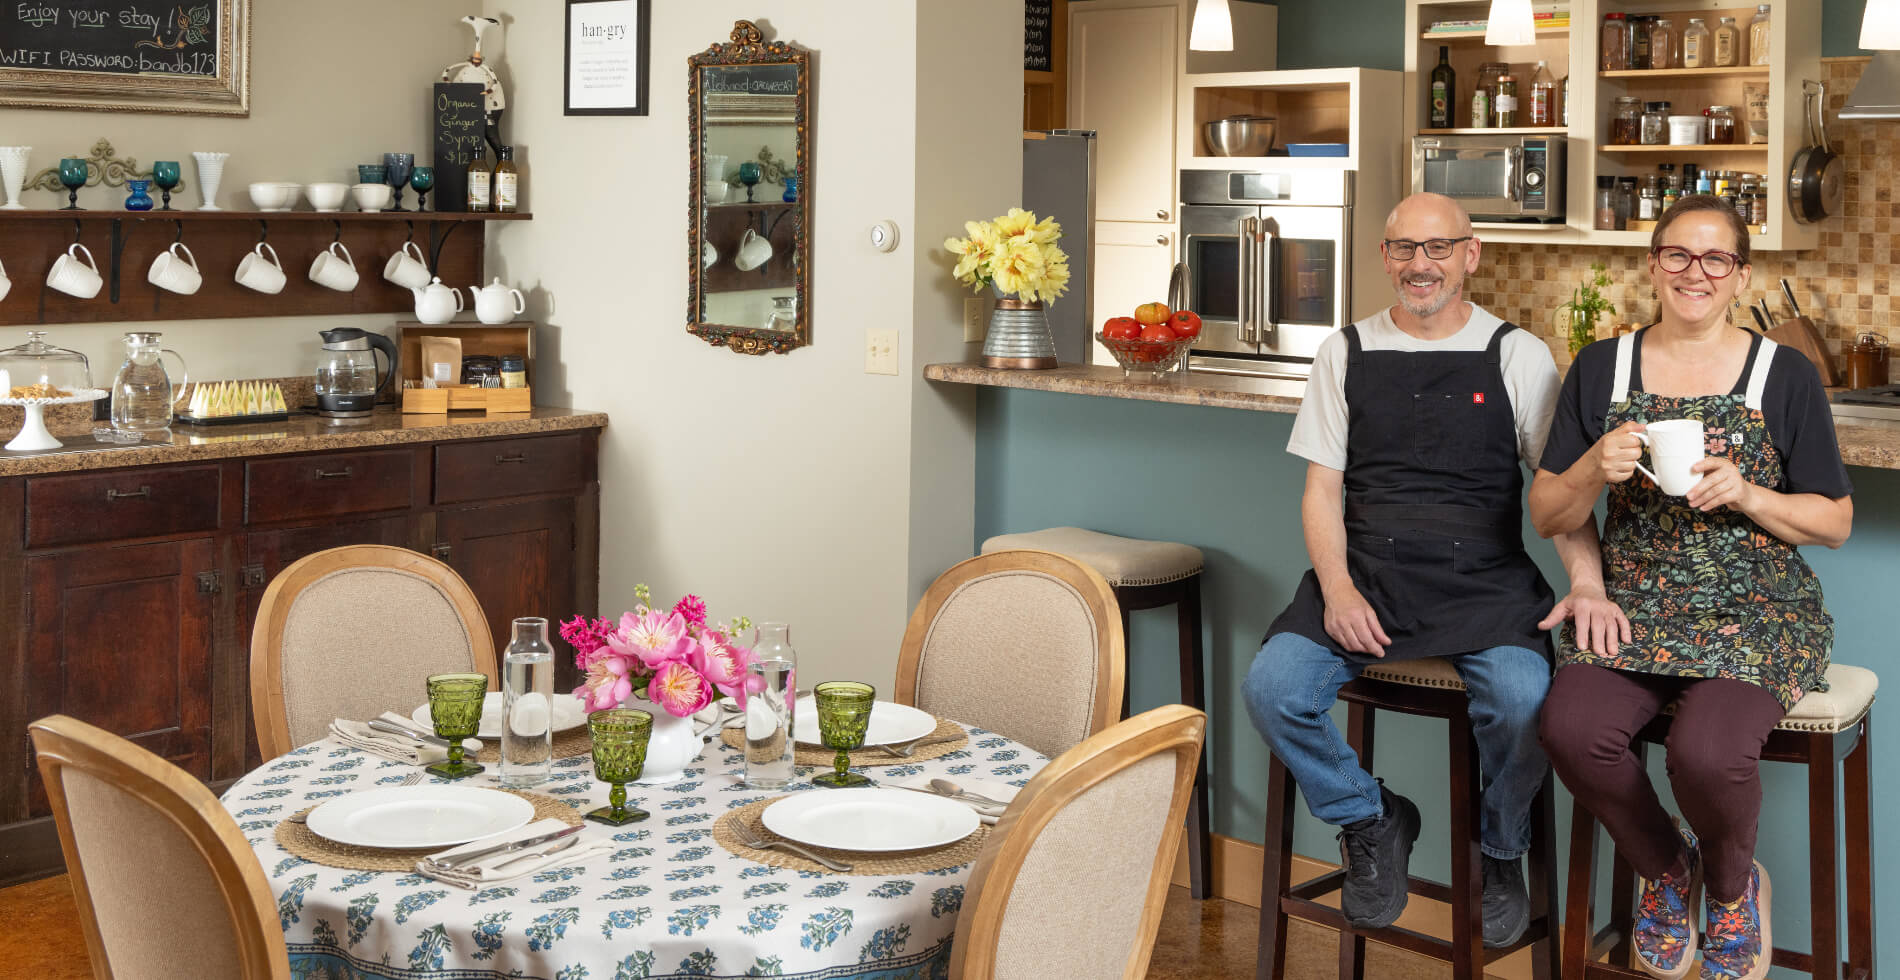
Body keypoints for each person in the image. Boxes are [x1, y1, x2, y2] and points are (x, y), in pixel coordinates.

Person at [1243, 192, 1615, 947]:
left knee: (1523, 699)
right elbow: (1320, 492)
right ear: (1384, 257)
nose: (1422, 265)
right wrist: (1339, 590)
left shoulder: (1518, 353)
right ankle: (1372, 818)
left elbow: (1558, 492)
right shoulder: (1341, 351)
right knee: (1272, 689)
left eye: (1439, 247)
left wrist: (1587, 581)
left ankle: (1501, 848)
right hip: (1367, 577)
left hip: (1484, 580)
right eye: (1405, 248)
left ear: (1470, 254)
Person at [1529, 195, 1852, 980]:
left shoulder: (1785, 373)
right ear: (1653, 264)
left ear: (1740, 273)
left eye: (1716, 259)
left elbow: (1834, 521)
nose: (1694, 273)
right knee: (1569, 729)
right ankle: (1669, 872)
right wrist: (1587, 498)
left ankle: (1735, 889)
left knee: (1704, 755)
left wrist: (1748, 494)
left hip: (1758, 607)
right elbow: (1549, 511)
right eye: (1678, 255)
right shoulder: (1602, 368)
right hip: (1634, 602)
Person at [442, 15, 507, 159]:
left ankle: (502, 164)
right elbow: (453, 87)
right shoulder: (464, 71)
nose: (476, 61)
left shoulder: (487, 72)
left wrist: (486, 92)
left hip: (491, 109)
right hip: (467, 112)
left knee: (491, 134)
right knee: (467, 142)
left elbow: (494, 85)